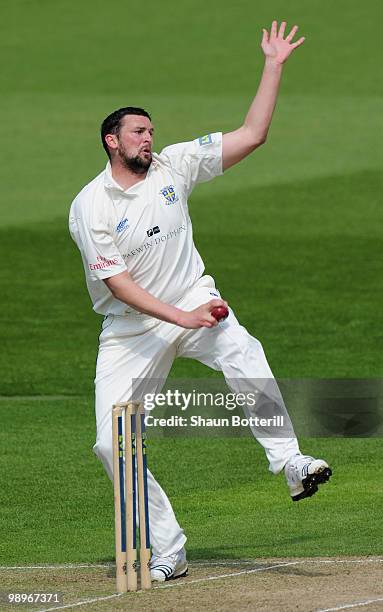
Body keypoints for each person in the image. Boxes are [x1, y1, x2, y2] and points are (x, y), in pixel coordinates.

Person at [69, 21, 332, 583]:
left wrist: (274, 64)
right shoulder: (90, 207)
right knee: (111, 446)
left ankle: (290, 463)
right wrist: (180, 317)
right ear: (111, 141)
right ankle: (170, 549)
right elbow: (119, 286)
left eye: (151, 130)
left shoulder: (175, 165)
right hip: (131, 330)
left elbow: (252, 134)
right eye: (138, 131)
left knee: (242, 349)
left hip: (195, 303)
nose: (149, 137)